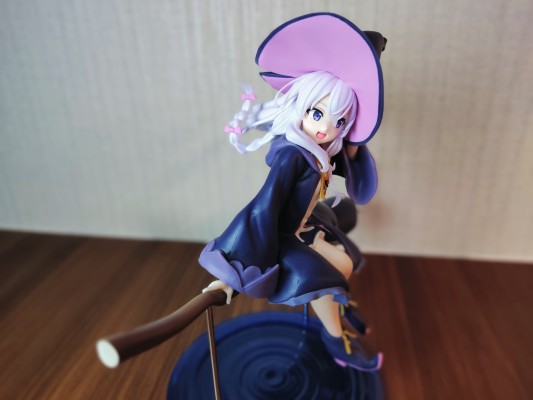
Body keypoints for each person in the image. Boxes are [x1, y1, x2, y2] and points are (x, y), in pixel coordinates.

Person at [199, 13, 386, 371]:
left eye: (339, 121)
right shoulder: (292, 157)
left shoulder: (320, 150)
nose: (326, 128)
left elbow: (350, 167)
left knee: (346, 257)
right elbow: (263, 207)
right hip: (283, 236)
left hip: (305, 224)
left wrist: (352, 140)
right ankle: (336, 339)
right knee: (331, 275)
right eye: (317, 114)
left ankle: (342, 308)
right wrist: (233, 270)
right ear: (301, 106)